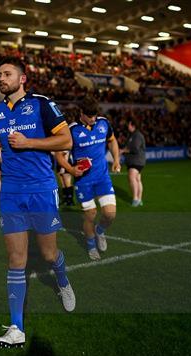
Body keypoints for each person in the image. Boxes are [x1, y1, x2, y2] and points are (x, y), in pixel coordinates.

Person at [0, 56, 75, 348]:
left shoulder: (41, 104)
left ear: (22, 79)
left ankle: (62, 281)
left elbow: (65, 141)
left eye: (7, 74)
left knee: (49, 255)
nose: (2, 78)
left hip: (40, 189)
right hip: (11, 192)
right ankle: (16, 327)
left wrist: (29, 143)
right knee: (16, 260)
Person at [55, 96, 121, 261]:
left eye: (94, 115)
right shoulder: (72, 130)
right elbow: (59, 154)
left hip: (102, 178)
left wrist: (117, 160)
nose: (93, 119)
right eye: (89, 116)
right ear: (81, 113)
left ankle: (100, 231)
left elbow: (112, 141)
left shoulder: (103, 123)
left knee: (110, 214)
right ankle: (91, 246)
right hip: (84, 182)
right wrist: (71, 169)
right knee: (90, 215)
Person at [122, 120, 146, 207]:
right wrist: (124, 150)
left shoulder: (137, 135)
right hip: (134, 160)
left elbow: (135, 148)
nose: (127, 126)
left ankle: (135, 199)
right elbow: (129, 147)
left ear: (132, 125)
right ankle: (139, 200)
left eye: (128, 124)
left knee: (132, 177)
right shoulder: (132, 135)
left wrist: (124, 150)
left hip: (136, 160)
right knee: (137, 179)